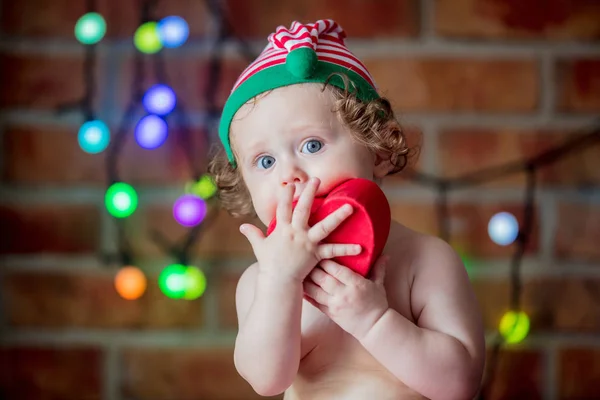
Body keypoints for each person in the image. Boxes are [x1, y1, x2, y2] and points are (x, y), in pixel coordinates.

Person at [208, 19, 485, 400]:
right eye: (265, 162)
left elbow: (460, 384)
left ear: (378, 149)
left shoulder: (425, 260)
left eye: (312, 145)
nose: (290, 175)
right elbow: (266, 380)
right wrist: (280, 282)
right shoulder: (261, 281)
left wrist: (373, 321)